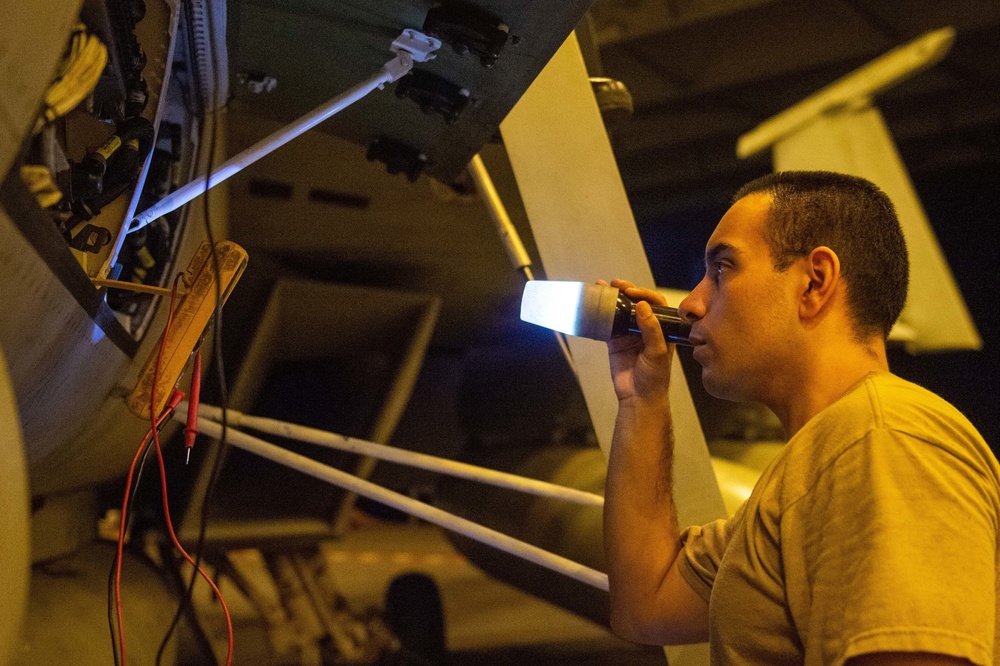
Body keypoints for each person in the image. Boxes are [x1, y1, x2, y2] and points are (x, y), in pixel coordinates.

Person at [602, 171, 999, 666]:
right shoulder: (821, 461)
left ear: (814, 282)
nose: (691, 305)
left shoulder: (881, 440)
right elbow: (648, 605)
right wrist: (643, 398)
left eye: (722, 270)